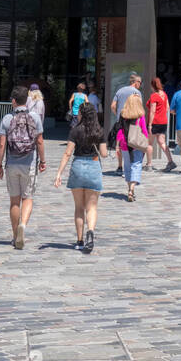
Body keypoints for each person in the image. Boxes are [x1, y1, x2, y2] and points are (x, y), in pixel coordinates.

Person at [54, 101, 108, 252]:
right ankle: (90, 230)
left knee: (79, 207)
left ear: (82, 115)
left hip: (78, 167)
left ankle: (79, 240)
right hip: (93, 166)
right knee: (91, 207)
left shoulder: (75, 130)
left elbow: (67, 153)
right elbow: (103, 154)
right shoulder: (99, 130)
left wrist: (59, 173)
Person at [0, 86, 46, 248]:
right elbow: (39, 141)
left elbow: (2, 144)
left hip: (12, 164)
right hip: (29, 163)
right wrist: (43, 161)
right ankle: (23, 225)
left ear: (13, 101)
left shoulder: (7, 118)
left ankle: (14, 235)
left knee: (14, 202)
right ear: (28, 100)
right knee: (28, 198)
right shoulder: (35, 118)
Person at [116, 93, 149, 202]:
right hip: (136, 144)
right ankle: (131, 189)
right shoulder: (140, 116)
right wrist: (146, 143)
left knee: (127, 166)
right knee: (136, 165)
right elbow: (144, 131)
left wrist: (118, 144)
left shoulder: (123, 114)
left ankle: (130, 188)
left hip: (125, 144)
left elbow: (119, 130)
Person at [110, 72, 142, 175]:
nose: (140, 84)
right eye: (140, 82)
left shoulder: (120, 91)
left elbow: (113, 106)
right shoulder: (136, 93)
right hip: (133, 122)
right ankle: (129, 166)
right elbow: (139, 107)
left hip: (121, 121)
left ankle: (120, 167)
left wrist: (118, 115)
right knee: (131, 145)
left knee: (119, 144)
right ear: (135, 82)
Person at [145, 77, 176, 171]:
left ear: (153, 85)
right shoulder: (165, 95)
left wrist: (150, 124)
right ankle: (170, 161)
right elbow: (167, 108)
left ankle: (149, 164)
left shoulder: (154, 96)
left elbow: (152, 111)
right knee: (161, 142)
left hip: (155, 122)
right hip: (163, 121)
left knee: (149, 143)